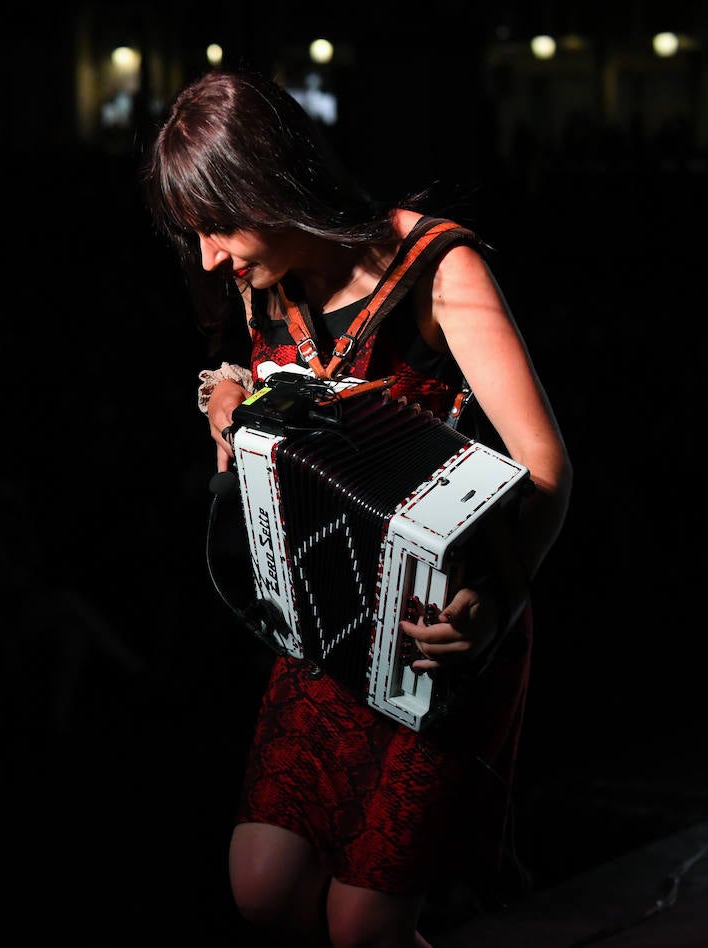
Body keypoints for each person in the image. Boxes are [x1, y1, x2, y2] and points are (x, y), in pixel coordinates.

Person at [142, 68, 573, 947]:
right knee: (261, 885)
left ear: (271, 187)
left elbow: (545, 468)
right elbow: (269, 398)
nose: (211, 259)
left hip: (437, 622)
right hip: (326, 617)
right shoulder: (266, 280)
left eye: (218, 227)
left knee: (363, 924)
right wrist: (227, 399)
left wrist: (492, 603)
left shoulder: (437, 267)